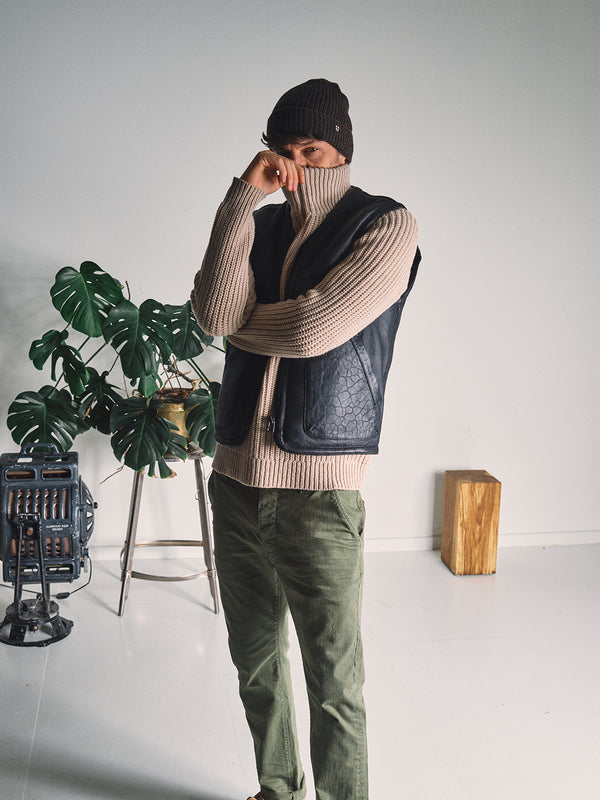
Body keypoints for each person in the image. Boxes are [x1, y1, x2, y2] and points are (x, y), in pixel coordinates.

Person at [191, 78, 420, 800]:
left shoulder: (386, 225)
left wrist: (245, 327)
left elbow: (314, 329)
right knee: (254, 662)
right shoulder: (259, 228)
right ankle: (277, 790)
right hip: (233, 479)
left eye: (311, 149)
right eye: (283, 151)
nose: (296, 164)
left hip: (319, 491)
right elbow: (212, 311)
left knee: (333, 682)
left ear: (341, 152)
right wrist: (241, 200)